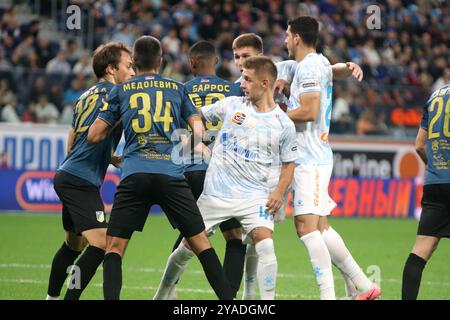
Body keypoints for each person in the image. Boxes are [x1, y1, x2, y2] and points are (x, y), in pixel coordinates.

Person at [87, 36, 233, 300]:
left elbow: (94, 135)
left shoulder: (120, 91)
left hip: (135, 174)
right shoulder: (177, 88)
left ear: (134, 62)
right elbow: (199, 130)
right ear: (161, 61)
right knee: (201, 243)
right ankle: (230, 304)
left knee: (115, 248)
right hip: (171, 175)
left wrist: (120, 121)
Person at [231, 32, 366, 300]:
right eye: (237, 57)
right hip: (266, 162)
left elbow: (325, 70)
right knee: (300, 228)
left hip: (295, 159)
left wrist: (346, 67)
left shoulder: (285, 67)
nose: (240, 62)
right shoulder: (240, 84)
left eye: (246, 56)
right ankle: (356, 283)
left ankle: (355, 284)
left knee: (295, 228)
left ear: (261, 55)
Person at [155, 56, 298, 300]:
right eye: (242, 77)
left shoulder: (283, 123)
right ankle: (160, 296)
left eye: (247, 79)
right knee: (185, 250)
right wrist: (193, 141)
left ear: (265, 83)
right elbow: (193, 113)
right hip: (215, 195)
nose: (241, 83)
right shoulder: (231, 105)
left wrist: (278, 192)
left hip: (255, 197)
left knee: (265, 245)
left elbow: (289, 164)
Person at [284, 16, 380, 300]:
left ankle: (331, 296)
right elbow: (332, 70)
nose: (286, 41)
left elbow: (310, 111)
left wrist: (273, 116)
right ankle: (363, 286)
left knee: (306, 227)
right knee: (320, 226)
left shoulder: (310, 65)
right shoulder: (317, 63)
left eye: (288, 35)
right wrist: (347, 67)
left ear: (297, 38)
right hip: (312, 156)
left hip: (309, 158)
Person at [153, 40, 245, 300]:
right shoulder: (235, 90)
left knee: (191, 233)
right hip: (224, 173)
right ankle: (230, 298)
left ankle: (168, 293)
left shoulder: (179, 90)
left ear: (192, 63)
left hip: (188, 170)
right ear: (216, 61)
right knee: (234, 237)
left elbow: (170, 132)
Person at [46, 41, 134, 300]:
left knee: (73, 246)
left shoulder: (85, 96)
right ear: (111, 69)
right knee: (103, 244)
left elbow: (73, 142)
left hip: (68, 173)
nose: (132, 72)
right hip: (80, 181)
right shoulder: (116, 95)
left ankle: (50, 298)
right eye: (128, 66)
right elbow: (95, 136)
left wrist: (110, 157)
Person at [402, 83, 450, 300]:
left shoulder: (435, 96)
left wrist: (436, 168)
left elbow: (420, 145)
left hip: (435, 183)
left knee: (421, 250)